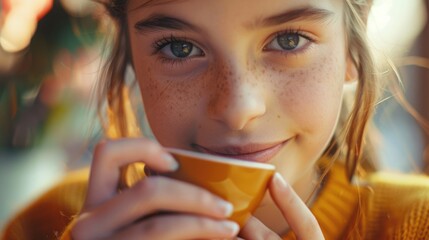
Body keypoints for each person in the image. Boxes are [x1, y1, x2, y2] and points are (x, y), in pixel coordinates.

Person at [2, 0, 429, 239]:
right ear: (131, 56)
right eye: (180, 49)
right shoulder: (43, 225)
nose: (237, 108)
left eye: (288, 39)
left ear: (352, 51)